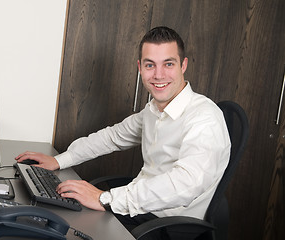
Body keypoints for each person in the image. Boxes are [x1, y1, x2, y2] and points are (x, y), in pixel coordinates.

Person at [15, 26, 231, 236]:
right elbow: (112, 137)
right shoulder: (154, 110)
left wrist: (106, 199)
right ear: (140, 68)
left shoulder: (205, 118)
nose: (158, 75)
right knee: (54, 217)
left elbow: (186, 184)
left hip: (165, 224)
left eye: (168, 64)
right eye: (150, 65)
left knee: (66, 226)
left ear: (183, 65)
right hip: (138, 207)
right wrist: (60, 160)